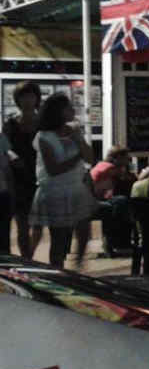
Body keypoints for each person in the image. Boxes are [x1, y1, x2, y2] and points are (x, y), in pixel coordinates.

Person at [29, 93, 97, 268]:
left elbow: (90, 158)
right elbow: (53, 169)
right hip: (55, 191)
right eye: (68, 107)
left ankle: (78, 266)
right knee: (58, 238)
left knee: (83, 231)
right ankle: (57, 270)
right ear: (58, 112)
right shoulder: (44, 136)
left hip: (76, 188)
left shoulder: (74, 130)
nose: (73, 110)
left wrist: (78, 140)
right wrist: (77, 157)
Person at [3, 81, 41, 258]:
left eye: (31, 96)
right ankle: (27, 259)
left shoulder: (43, 122)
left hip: (41, 175)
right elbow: (5, 147)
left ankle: (30, 257)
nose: (27, 100)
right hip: (19, 177)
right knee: (22, 224)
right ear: (17, 99)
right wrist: (12, 156)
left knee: (39, 225)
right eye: (23, 97)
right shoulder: (11, 123)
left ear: (36, 98)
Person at [0, 133, 14, 254]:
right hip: (3, 192)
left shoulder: (1, 138)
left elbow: (7, 167)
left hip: (3, 193)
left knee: (4, 237)